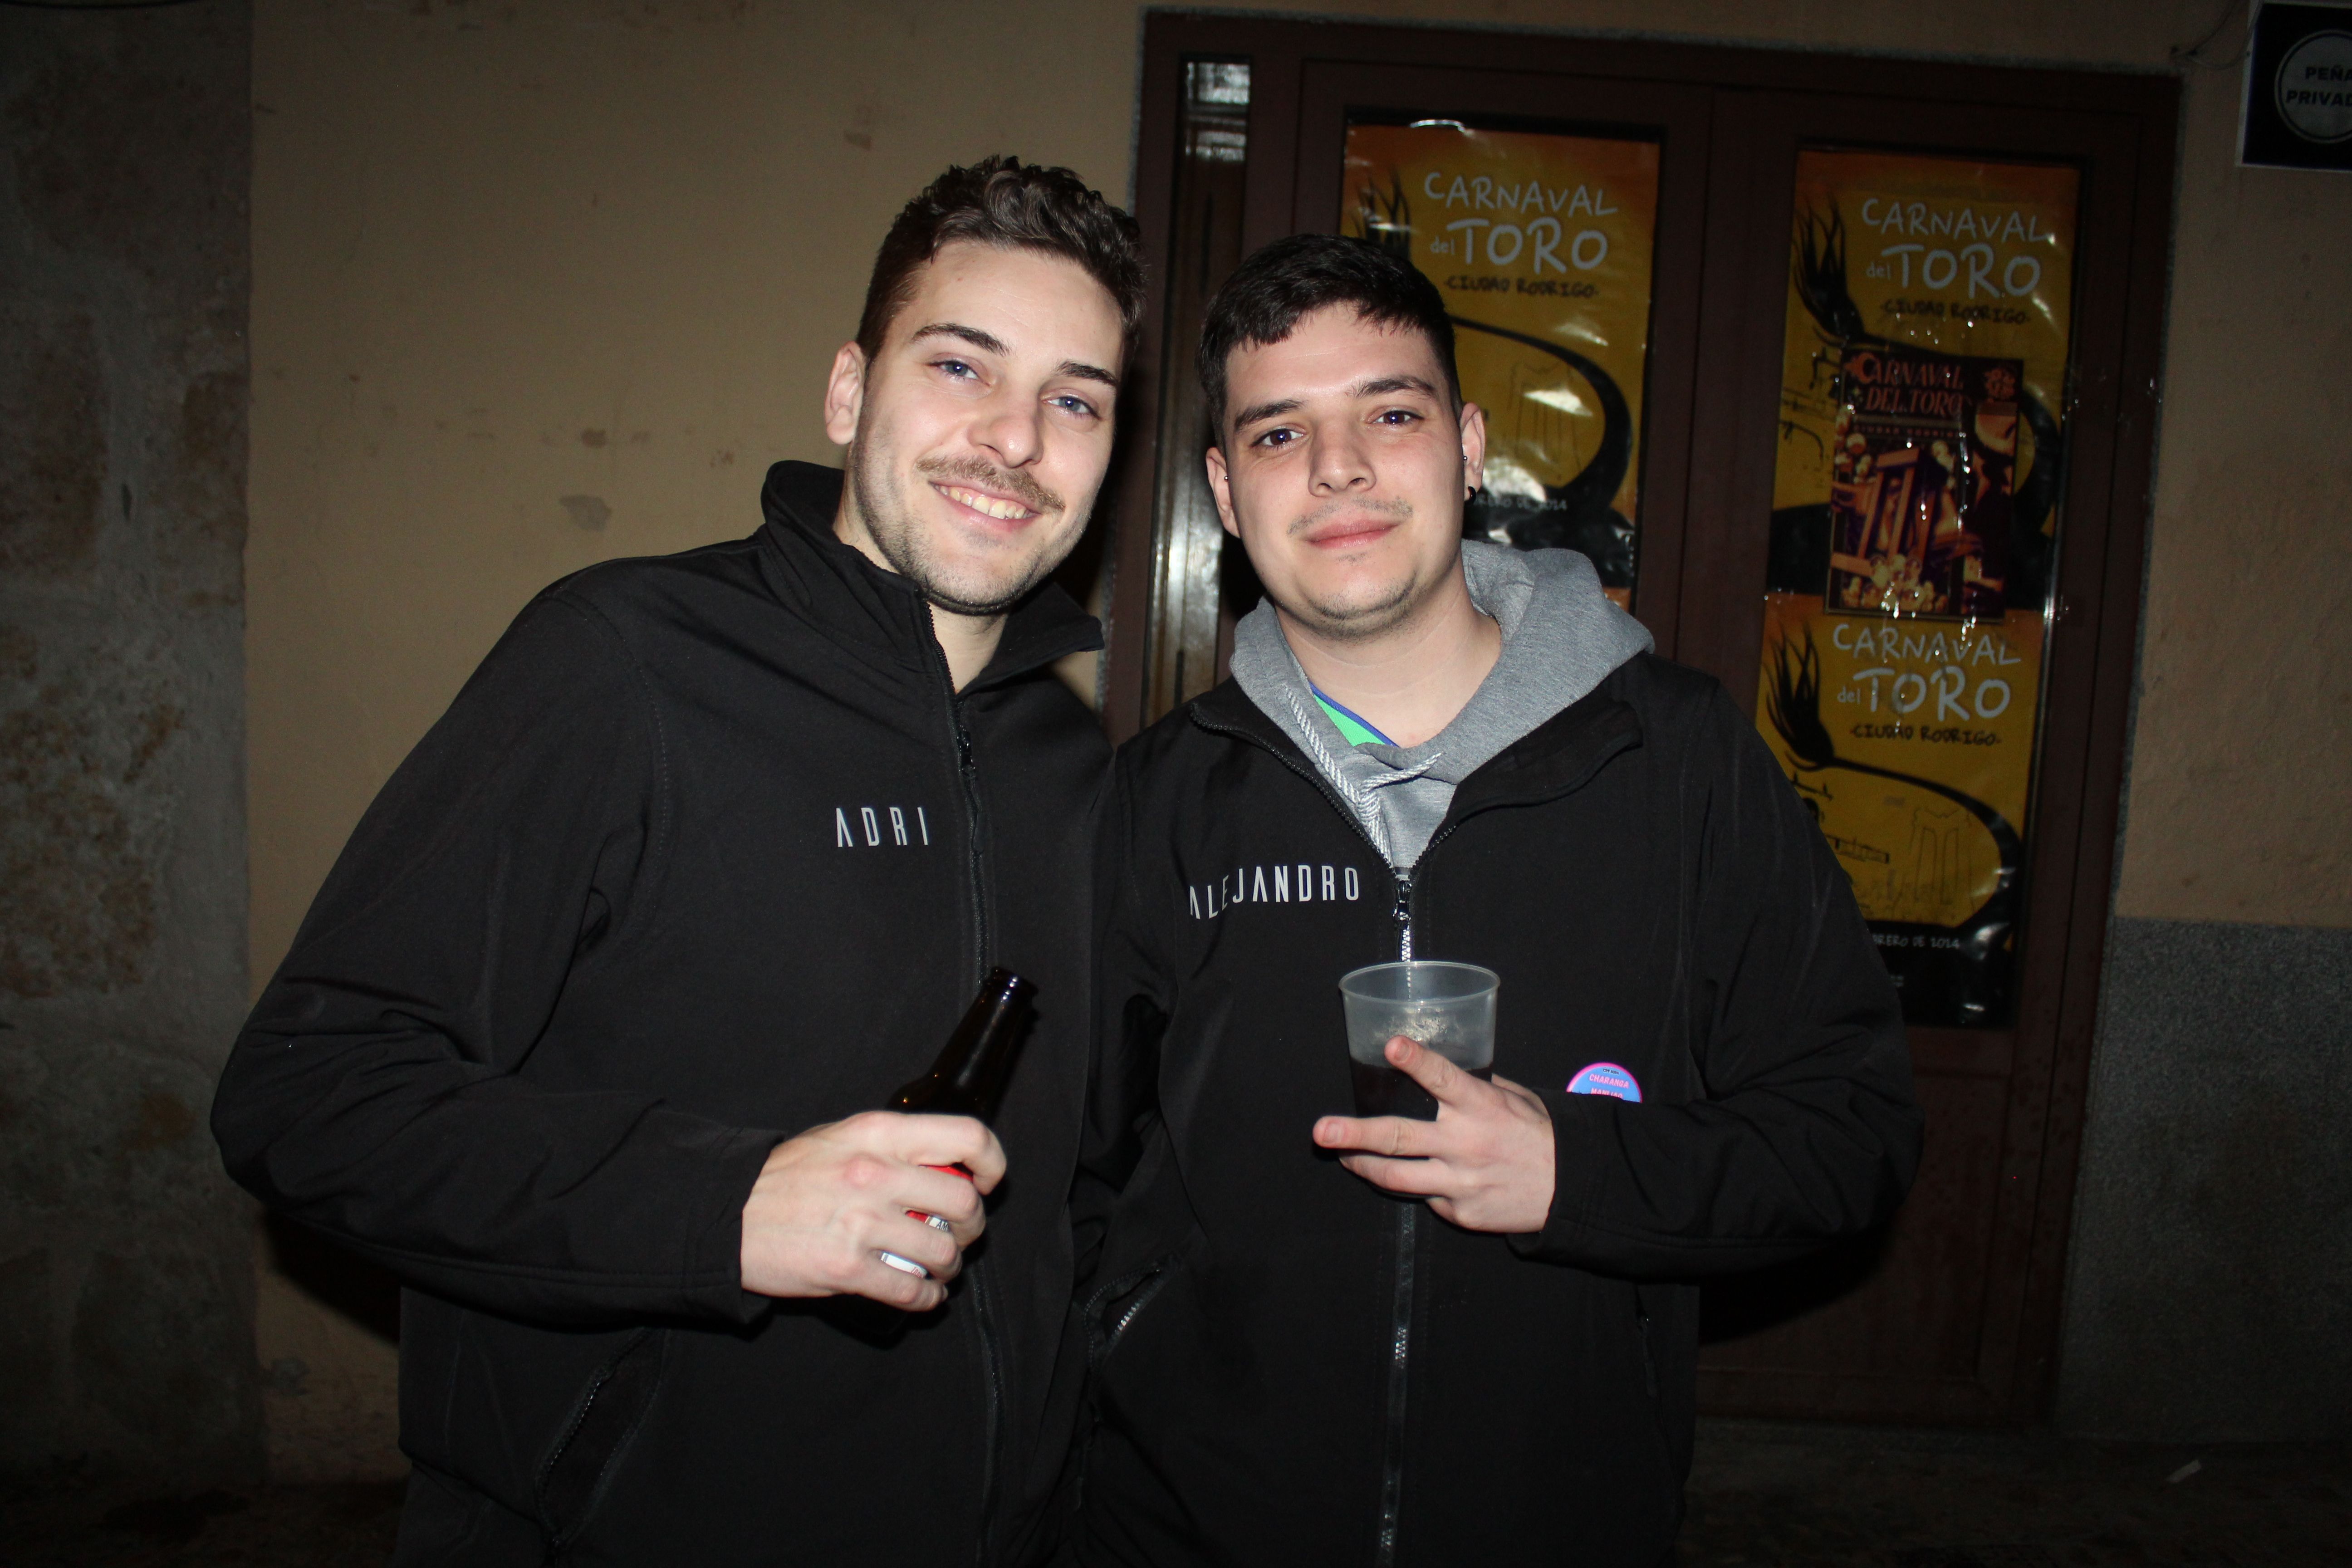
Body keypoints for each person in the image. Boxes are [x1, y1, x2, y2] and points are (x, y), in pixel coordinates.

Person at [212, 157, 1142, 1567]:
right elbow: (310, 1097)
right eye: (961, 366)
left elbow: (1074, 1198)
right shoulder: (624, 662)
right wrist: (724, 1208)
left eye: (1075, 398)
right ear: (849, 394)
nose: (1014, 439)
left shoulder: (1079, 774)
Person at [1071, 234, 1921, 1565]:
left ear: (1468, 447)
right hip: (1197, 1526)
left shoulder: (1680, 761)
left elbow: (1853, 1131)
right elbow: (1068, 1181)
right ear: (1226, 494)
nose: (1340, 467)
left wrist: (1580, 1176)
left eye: (1389, 414)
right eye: (1282, 433)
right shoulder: (1156, 805)